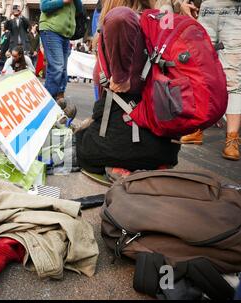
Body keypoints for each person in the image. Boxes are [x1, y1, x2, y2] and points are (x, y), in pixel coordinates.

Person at [76, 4, 180, 176]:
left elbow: (120, 17)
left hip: (123, 137)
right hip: (165, 145)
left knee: (81, 147)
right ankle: (153, 163)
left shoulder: (123, 16)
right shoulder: (156, 21)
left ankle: (118, 164)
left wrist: (120, 78)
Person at [180, 0, 241, 161]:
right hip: (207, 9)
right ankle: (197, 128)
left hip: (236, 10)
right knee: (199, 72)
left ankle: (232, 139)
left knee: (233, 76)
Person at [39, 0, 83, 100]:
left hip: (65, 34)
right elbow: (44, 6)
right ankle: (48, 101)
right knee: (57, 68)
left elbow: (79, 10)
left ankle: (59, 99)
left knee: (62, 69)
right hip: (51, 30)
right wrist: (63, 1)